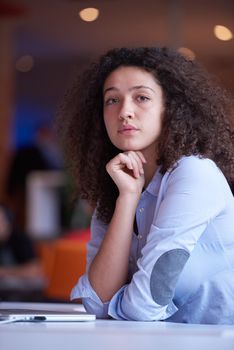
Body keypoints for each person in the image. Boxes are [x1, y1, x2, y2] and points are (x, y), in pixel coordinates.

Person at [58, 47, 234, 323]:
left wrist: (119, 302)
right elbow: (97, 301)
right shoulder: (118, 184)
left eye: (141, 97)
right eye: (112, 100)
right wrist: (127, 198)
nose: (125, 111)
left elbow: (145, 306)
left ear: (170, 109)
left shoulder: (194, 173)